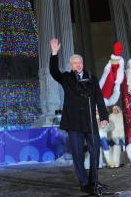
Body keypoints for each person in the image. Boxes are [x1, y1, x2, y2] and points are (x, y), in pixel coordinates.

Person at [49, 38, 108, 195]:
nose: (78, 65)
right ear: (71, 65)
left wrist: (103, 116)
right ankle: (84, 183)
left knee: (95, 152)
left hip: (90, 121)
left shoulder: (91, 78)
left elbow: (99, 98)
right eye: (75, 63)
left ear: (83, 64)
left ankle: (94, 181)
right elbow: (54, 72)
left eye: (80, 62)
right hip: (74, 123)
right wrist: (54, 53)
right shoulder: (67, 78)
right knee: (78, 155)